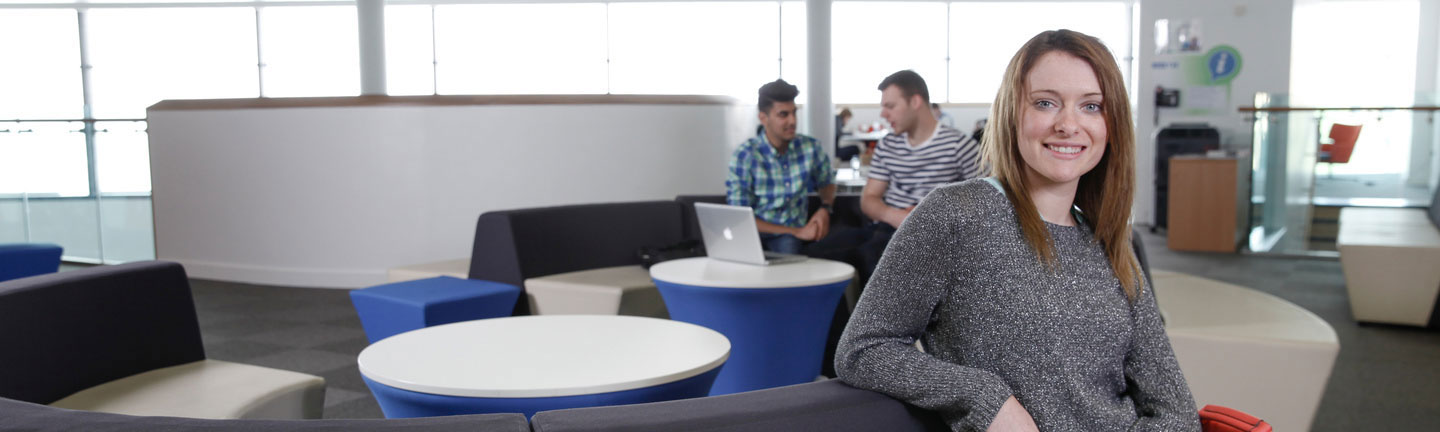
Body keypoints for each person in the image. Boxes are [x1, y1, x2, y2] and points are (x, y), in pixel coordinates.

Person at [835, 30, 1199, 432]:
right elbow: (864, 349)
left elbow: (1177, 413)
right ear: (1013, 112)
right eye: (1046, 103)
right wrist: (986, 399)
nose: (1068, 124)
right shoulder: (958, 214)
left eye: (1091, 106)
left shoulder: (1111, 239)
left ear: (1111, 125)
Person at [857, 70, 982, 282]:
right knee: (823, 252)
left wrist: (929, 218)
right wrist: (898, 217)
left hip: (935, 238)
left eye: (890, 106)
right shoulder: (888, 145)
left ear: (915, 101)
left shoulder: (958, 145)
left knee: (876, 261)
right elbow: (868, 200)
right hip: (889, 228)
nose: (883, 114)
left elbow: (988, 200)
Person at [725, 79, 837, 255]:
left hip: (790, 238)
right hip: (754, 233)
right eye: (783, 115)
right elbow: (740, 217)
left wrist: (825, 208)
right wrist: (796, 231)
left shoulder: (810, 148)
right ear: (763, 117)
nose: (792, 121)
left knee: (791, 246)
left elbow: (827, 182)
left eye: (794, 113)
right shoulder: (745, 155)